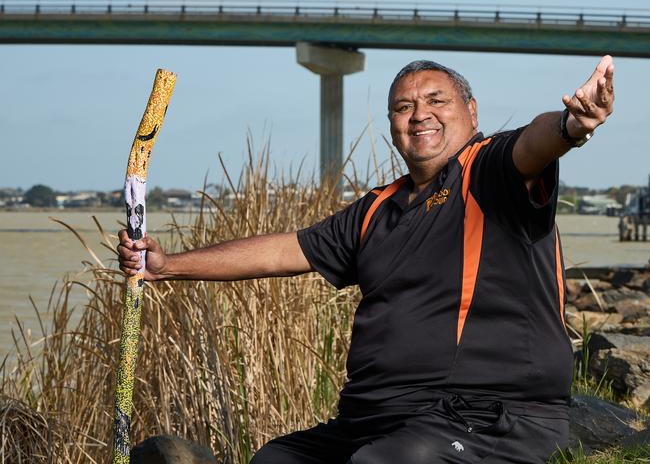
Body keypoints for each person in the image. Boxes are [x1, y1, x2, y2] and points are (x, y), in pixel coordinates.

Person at [118, 55, 615, 463]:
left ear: (472, 111)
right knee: (275, 460)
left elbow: (535, 143)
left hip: (491, 416)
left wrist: (573, 125)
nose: (419, 114)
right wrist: (168, 266)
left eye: (436, 100)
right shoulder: (378, 208)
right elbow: (284, 250)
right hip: (376, 418)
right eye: (403, 107)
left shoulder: (489, 170)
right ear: (392, 125)